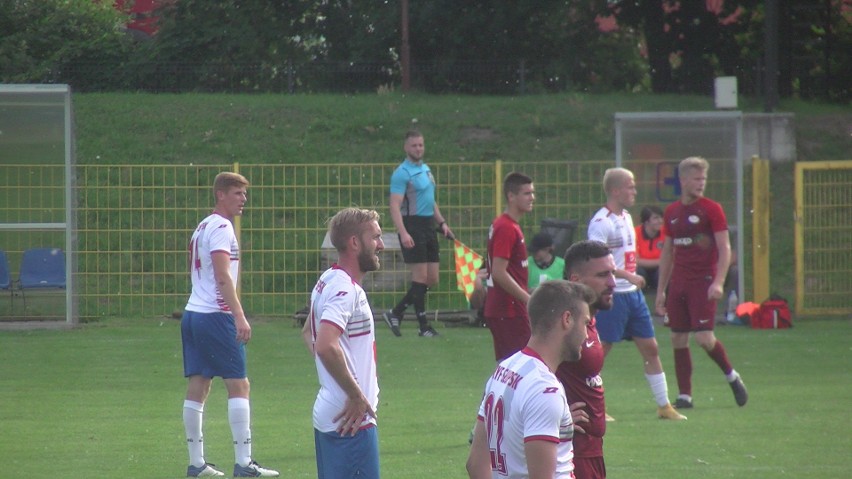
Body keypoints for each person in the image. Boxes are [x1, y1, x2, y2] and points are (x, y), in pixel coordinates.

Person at [181, 172, 279, 478]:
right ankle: (244, 463)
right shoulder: (222, 227)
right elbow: (223, 277)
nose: (243, 199)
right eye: (237, 193)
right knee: (239, 383)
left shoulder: (203, 225)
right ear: (220, 194)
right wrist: (238, 315)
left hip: (193, 313)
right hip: (215, 315)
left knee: (199, 383)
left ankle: (197, 464)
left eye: (244, 194)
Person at [466, 280, 596, 479]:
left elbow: (475, 465)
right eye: (585, 323)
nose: (587, 335)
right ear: (567, 319)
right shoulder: (544, 389)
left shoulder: (504, 369)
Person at [587, 168, 685, 421]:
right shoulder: (601, 222)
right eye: (630, 186)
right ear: (615, 190)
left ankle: (664, 406)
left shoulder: (627, 217)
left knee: (650, 348)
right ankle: (592, 406)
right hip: (612, 295)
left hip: (633, 296)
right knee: (600, 350)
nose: (634, 191)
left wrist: (632, 277)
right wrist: (627, 275)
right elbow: (596, 261)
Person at [654, 156, 748, 409]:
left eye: (703, 179)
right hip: (680, 283)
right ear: (683, 180)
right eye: (696, 178)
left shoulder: (711, 209)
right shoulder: (672, 212)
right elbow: (668, 253)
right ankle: (685, 395)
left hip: (703, 282)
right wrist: (662, 290)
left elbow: (725, 248)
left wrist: (719, 281)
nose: (701, 183)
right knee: (677, 338)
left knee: (704, 338)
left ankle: (732, 376)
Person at [301, 208, 384, 479]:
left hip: (335, 414)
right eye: (375, 237)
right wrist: (356, 396)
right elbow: (325, 345)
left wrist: (332, 374)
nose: (380, 245)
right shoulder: (344, 290)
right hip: (350, 421)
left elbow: (308, 332)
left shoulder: (328, 279)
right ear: (355, 243)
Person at [383, 130, 453, 338]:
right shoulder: (402, 173)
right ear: (406, 147)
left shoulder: (425, 169)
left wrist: (442, 223)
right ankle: (424, 327)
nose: (418, 149)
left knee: (431, 278)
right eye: (414, 145)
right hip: (412, 226)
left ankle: (396, 312)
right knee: (420, 277)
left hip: (428, 226)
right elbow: (394, 207)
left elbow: (430, 200)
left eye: (421, 145)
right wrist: (403, 233)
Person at [555, 240, 615, 479]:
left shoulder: (588, 319)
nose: (612, 282)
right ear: (576, 280)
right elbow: (526, 373)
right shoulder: (563, 325)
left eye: (612, 273)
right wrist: (553, 415)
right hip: (572, 454)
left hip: (591, 450)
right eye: (602, 275)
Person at [484, 172, 535, 362]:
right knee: (520, 365)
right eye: (527, 193)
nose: (532, 198)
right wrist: (528, 299)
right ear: (511, 196)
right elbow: (498, 272)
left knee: (511, 365)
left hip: (507, 308)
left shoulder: (508, 225)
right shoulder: (506, 227)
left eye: (532, 193)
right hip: (508, 309)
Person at [634, 205, 665, 290]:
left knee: (665, 271)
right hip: (641, 269)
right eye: (656, 218)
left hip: (659, 270)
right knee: (637, 271)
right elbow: (635, 261)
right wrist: (660, 262)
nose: (660, 221)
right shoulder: (634, 233)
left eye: (661, 218)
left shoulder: (666, 233)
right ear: (646, 221)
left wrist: (662, 263)